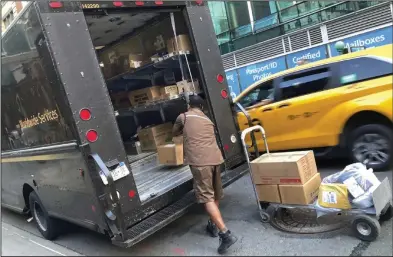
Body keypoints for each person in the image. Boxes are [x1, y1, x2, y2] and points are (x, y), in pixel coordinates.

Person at [172, 94, 238, 254]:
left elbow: (175, 133)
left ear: (189, 106)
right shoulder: (208, 120)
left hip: (200, 163)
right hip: (216, 159)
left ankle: (225, 233)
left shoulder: (184, 117)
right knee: (214, 194)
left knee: (206, 197)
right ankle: (213, 224)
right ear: (201, 107)